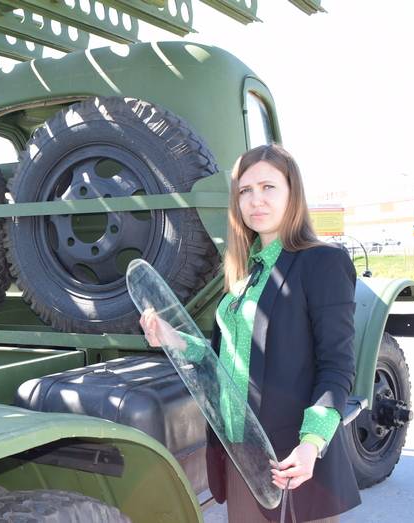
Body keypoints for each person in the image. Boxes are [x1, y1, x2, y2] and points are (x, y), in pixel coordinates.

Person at [139, 144, 361, 522]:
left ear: (293, 193)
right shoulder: (243, 274)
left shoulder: (322, 262)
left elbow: (337, 365)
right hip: (241, 454)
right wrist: (169, 337)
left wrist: (311, 444)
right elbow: (224, 358)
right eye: (245, 191)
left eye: (268, 187)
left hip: (293, 459)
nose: (255, 200)